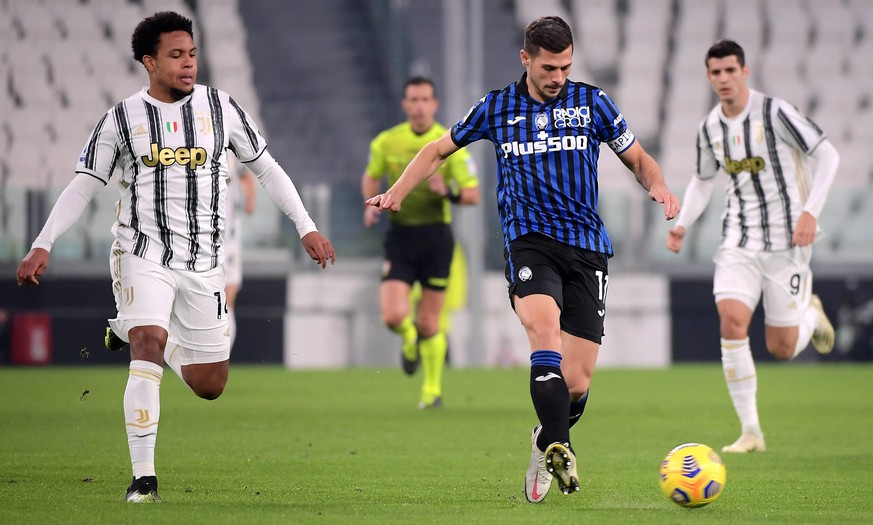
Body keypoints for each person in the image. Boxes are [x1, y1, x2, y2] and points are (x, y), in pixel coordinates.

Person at [15, 11, 335, 503]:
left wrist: (306, 226)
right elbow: (84, 185)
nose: (188, 64)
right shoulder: (122, 118)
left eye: (192, 54)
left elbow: (267, 169)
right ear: (149, 62)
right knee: (148, 341)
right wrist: (44, 241)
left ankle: (127, 328)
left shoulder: (221, 108)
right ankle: (144, 479)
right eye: (175, 55)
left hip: (205, 261)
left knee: (210, 384)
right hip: (142, 251)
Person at [367, 16, 679, 502]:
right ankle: (560, 444)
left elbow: (638, 159)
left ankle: (544, 438)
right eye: (550, 68)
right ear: (526, 59)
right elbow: (438, 150)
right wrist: (397, 192)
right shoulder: (497, 107)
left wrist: (657, 184)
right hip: (528, 241)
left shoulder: (592, 103)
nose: (558, 78)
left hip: (588, 248)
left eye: (565, 67)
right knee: (543, 331)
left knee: (576, 382)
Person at [666, 39, 838, 454]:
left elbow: (828, 155)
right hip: (738, 240)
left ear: (744, 71)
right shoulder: (709, 127)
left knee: (781, 348)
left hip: (787, 243)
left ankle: (810, 318)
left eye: (730, 70)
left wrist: (811, 211)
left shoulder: (775, 113)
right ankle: (751, 432)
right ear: (708, 77)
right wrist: (682, 223)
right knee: (731, 321)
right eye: (715, 72)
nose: (723, 79)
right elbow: (704, 180)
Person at [362, 76, 480, 409]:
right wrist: (369, 209)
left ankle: (432, 390)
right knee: (392, 315)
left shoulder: (450, 143)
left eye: (425, 99)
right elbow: (371, 176)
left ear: (435, 104)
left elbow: (473, 195)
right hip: (400, 237)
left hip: (435, 238)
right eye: (413, 99)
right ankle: (408, 338)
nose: (419, 106)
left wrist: (450, 192)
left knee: (430, 322)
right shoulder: (387, 142)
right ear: (404, 104)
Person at [224, 157, 256, 351]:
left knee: (227, 300)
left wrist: (250, 199)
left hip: (228, 237)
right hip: (202, 238)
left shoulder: (229, 150)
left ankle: (222, 355)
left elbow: (245, 175)